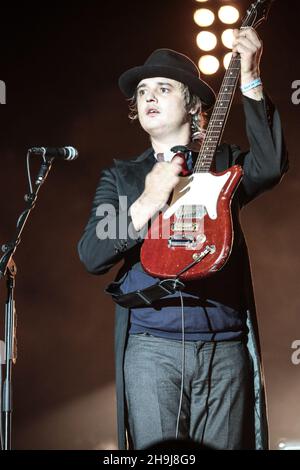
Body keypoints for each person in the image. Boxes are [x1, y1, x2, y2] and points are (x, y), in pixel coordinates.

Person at [78, 28, 288, 450]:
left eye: (163, 87)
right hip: (152, 348)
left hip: (225, 348)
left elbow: (270, 164)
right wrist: (147, 200)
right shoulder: (122, 176)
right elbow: (91, 253)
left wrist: (250, 78)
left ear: (193, 105)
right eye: (141, 92)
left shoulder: (224, 162)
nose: (149, 97)